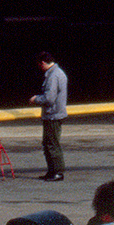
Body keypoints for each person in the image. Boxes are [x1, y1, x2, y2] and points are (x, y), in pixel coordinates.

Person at [31, 52, 68, 181]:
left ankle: (57, 172)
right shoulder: (56, 73)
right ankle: (52, 171)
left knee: (52, 144)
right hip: (52, 114)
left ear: (42, 63)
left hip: (53, 115)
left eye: (39, 65)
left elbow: (49, 98)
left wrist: (36, 99)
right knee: (48, 143)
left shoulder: (53, 76)